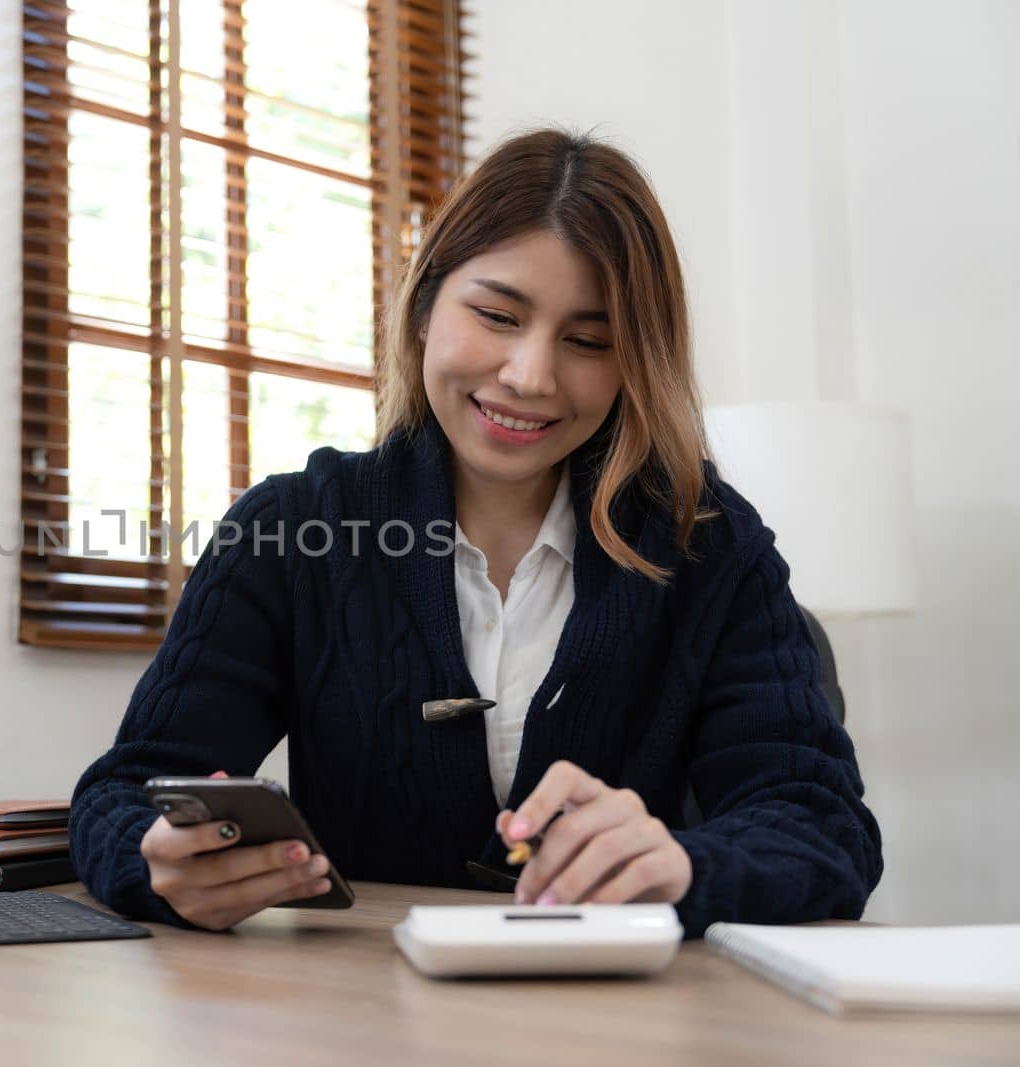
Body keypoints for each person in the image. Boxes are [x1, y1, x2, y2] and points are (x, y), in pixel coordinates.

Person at [68, 127, 883, 938]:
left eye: (588, 341)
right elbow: (122, 792)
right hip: (357, 1017)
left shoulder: (711, 546)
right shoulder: (290, 530)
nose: (530, 375)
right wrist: (157, 863)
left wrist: (684, 864)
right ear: (424, 306)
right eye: (497, 315)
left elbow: (825, 830)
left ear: (637, 359)